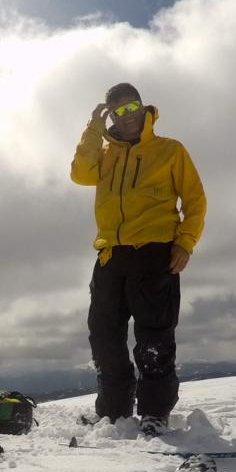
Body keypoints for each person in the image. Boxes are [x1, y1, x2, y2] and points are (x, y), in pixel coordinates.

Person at [69, 82, 206, 435]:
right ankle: (113, 411)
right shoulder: (105, 154)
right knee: (104, 336)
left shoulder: (170, 150)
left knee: (154, 338)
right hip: (110, 255)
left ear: (143, 108)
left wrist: (185, 243)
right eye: (119, 111)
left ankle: (154, 412)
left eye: (132, 108)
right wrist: (93, 128)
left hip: (155, 252)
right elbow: (80, 174)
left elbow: (194, 200)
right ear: (112, 116)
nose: (127, 116)